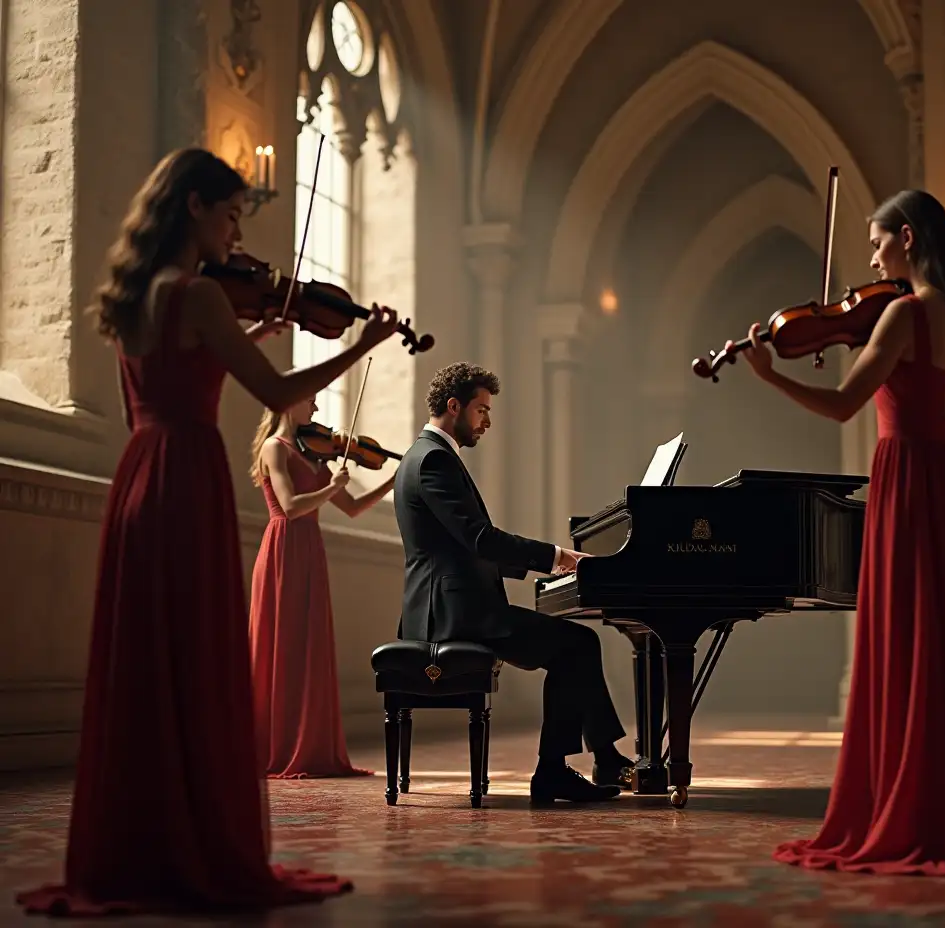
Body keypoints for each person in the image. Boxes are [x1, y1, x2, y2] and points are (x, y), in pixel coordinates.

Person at [16, 147, 400, 917]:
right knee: (193, 657)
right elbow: (279, 391)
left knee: (147, 658)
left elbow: (192, 367)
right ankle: (193, 839)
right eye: (229, 215)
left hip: (139, 473)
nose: (234, 234)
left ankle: (139, 840)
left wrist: (257, 326)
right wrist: (360, 348)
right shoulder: (198, 295)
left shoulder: (140, 294)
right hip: (186, 475)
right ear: (194, 206)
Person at [742, 190, 945, 876]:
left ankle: (911, 811)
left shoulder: (904, 314)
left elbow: (840, 407)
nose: (871, 255)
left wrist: (769, 376)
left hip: (908, 485)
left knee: (909, 644)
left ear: (909, 239)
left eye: (877, 240)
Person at [393, 362, 633, 803]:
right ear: (454, 406)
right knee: (577, 645)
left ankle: (602, 757)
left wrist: (545, 564)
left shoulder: (428, 456)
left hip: (455, 607)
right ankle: (558, 771)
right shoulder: (433, 461)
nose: (487, 421)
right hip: (453, 617)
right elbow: (480, 539)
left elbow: (460, 547)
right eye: (481, 410)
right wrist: (556, 556)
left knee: (577, 644)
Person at [248, 396, 396, 778]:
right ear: (290, 403)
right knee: (283, 643)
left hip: (309, 548)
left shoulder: (315, 455)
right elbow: (291, 506)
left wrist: (394, 480)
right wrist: (331, 487)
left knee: (307, 644)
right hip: (284, 547)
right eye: (311, 402)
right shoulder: (273, 448)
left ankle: (309, 746)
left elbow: (354, 508)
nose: (316, 412)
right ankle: (278, 747)